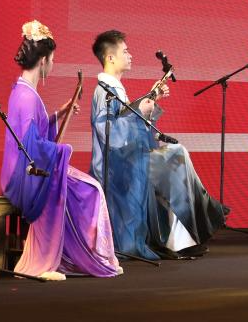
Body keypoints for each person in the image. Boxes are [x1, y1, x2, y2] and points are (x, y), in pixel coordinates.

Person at [89, 29, 227, 259]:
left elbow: (129, 122)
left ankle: (182, 237)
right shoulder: (104, 91)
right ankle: (184, 234)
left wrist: (152, 100)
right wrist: (141, 113)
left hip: (128, 158)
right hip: (116, 167)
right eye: (125, 51)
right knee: (175, 157)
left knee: (175, 156)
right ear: (110, 57)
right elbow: (110, 134)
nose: (130, 55)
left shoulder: (113, 88)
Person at [0, 20, 120, 280]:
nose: (53, 64)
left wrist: (60, 113)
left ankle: (76, 255)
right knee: (92, 190)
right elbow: (30, 146)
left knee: (89, 187)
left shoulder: (23, 90)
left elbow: (35, 133)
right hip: (28, 175)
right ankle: (52, 260)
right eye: (52, 59)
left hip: (29, 168)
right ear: (43, 60)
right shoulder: (27, 96)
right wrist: (62, 150)